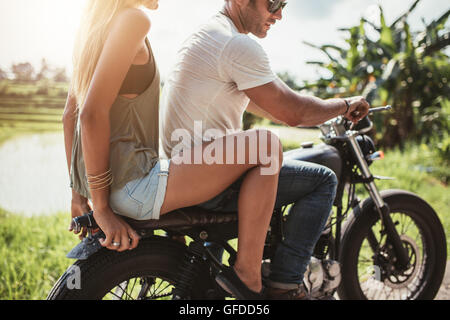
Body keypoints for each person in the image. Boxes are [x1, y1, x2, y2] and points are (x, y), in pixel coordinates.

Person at [63, 0, 284, 298]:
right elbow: (90, 114)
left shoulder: (93, 26)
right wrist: (101, 210)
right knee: (265, 145)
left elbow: (70, 116)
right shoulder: (133, 20)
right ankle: (249, 278)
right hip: (134, 185)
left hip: (112, 184)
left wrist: (79, 193)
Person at [159, 0, 370, 299]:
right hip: (207, 179)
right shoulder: (236, 44)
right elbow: (293, 112)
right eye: (273, 3)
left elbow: (276, 105)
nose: (279, 14)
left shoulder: (208, 34)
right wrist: (345, 105)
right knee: (323, 180)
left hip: (183, 171)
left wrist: (314, 109)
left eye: (283, 4)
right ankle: (284, 286)